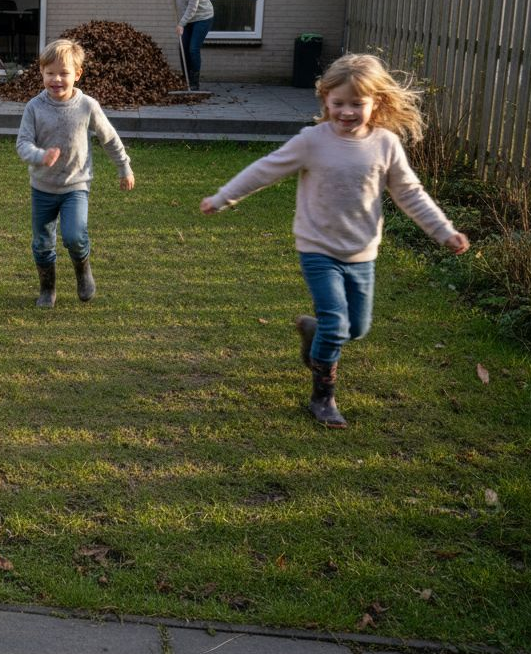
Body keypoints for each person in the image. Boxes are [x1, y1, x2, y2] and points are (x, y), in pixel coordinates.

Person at [200, 53, 470, 428]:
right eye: (338, 102)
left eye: (356, 104)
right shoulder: (312, 141)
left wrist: (443, 231)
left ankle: (313, 332)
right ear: (325, 98)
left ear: (377, 103)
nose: (346, 112)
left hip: (361, 252)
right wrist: (224, 196)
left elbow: (410, 193)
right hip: (317, 248)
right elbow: (267, 169)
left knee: (356, 328)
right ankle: (322, 398)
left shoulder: (386, 144)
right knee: (338, 324)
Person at [17, 39, 135, 308]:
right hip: (42, 187)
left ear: (78, 74)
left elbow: (109, 138)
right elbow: (22, 143)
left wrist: (124, 166)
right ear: (41, 73)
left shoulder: (87, 106)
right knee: (42, 243)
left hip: (75, 187)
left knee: (74, 236)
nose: (56, 79)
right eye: (50, 73)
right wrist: (39, 156)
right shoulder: (34, 107)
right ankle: (48, 289)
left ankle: (83, 271)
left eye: (64, 73)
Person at [165, 0, 214, 90]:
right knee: (182, 47)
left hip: (202, 18)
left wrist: (181, 23)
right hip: (187, 19)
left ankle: (194, 83)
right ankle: (185, 78)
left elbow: (193, 7)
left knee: (193, 48)